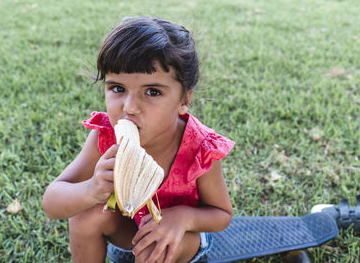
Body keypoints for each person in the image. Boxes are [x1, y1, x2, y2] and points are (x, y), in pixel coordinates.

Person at [42, 16, 235, 263]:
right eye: (117, 88)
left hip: (179, 237)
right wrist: (92, 189)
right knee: (84, 214)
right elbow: (52, 203)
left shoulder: (198, 147)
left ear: (184, 100)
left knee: (156, 246)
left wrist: (183, 217)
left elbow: (221, 214)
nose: (130, 107)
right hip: (125, 231)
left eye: (153, 92)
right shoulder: (105, 137)